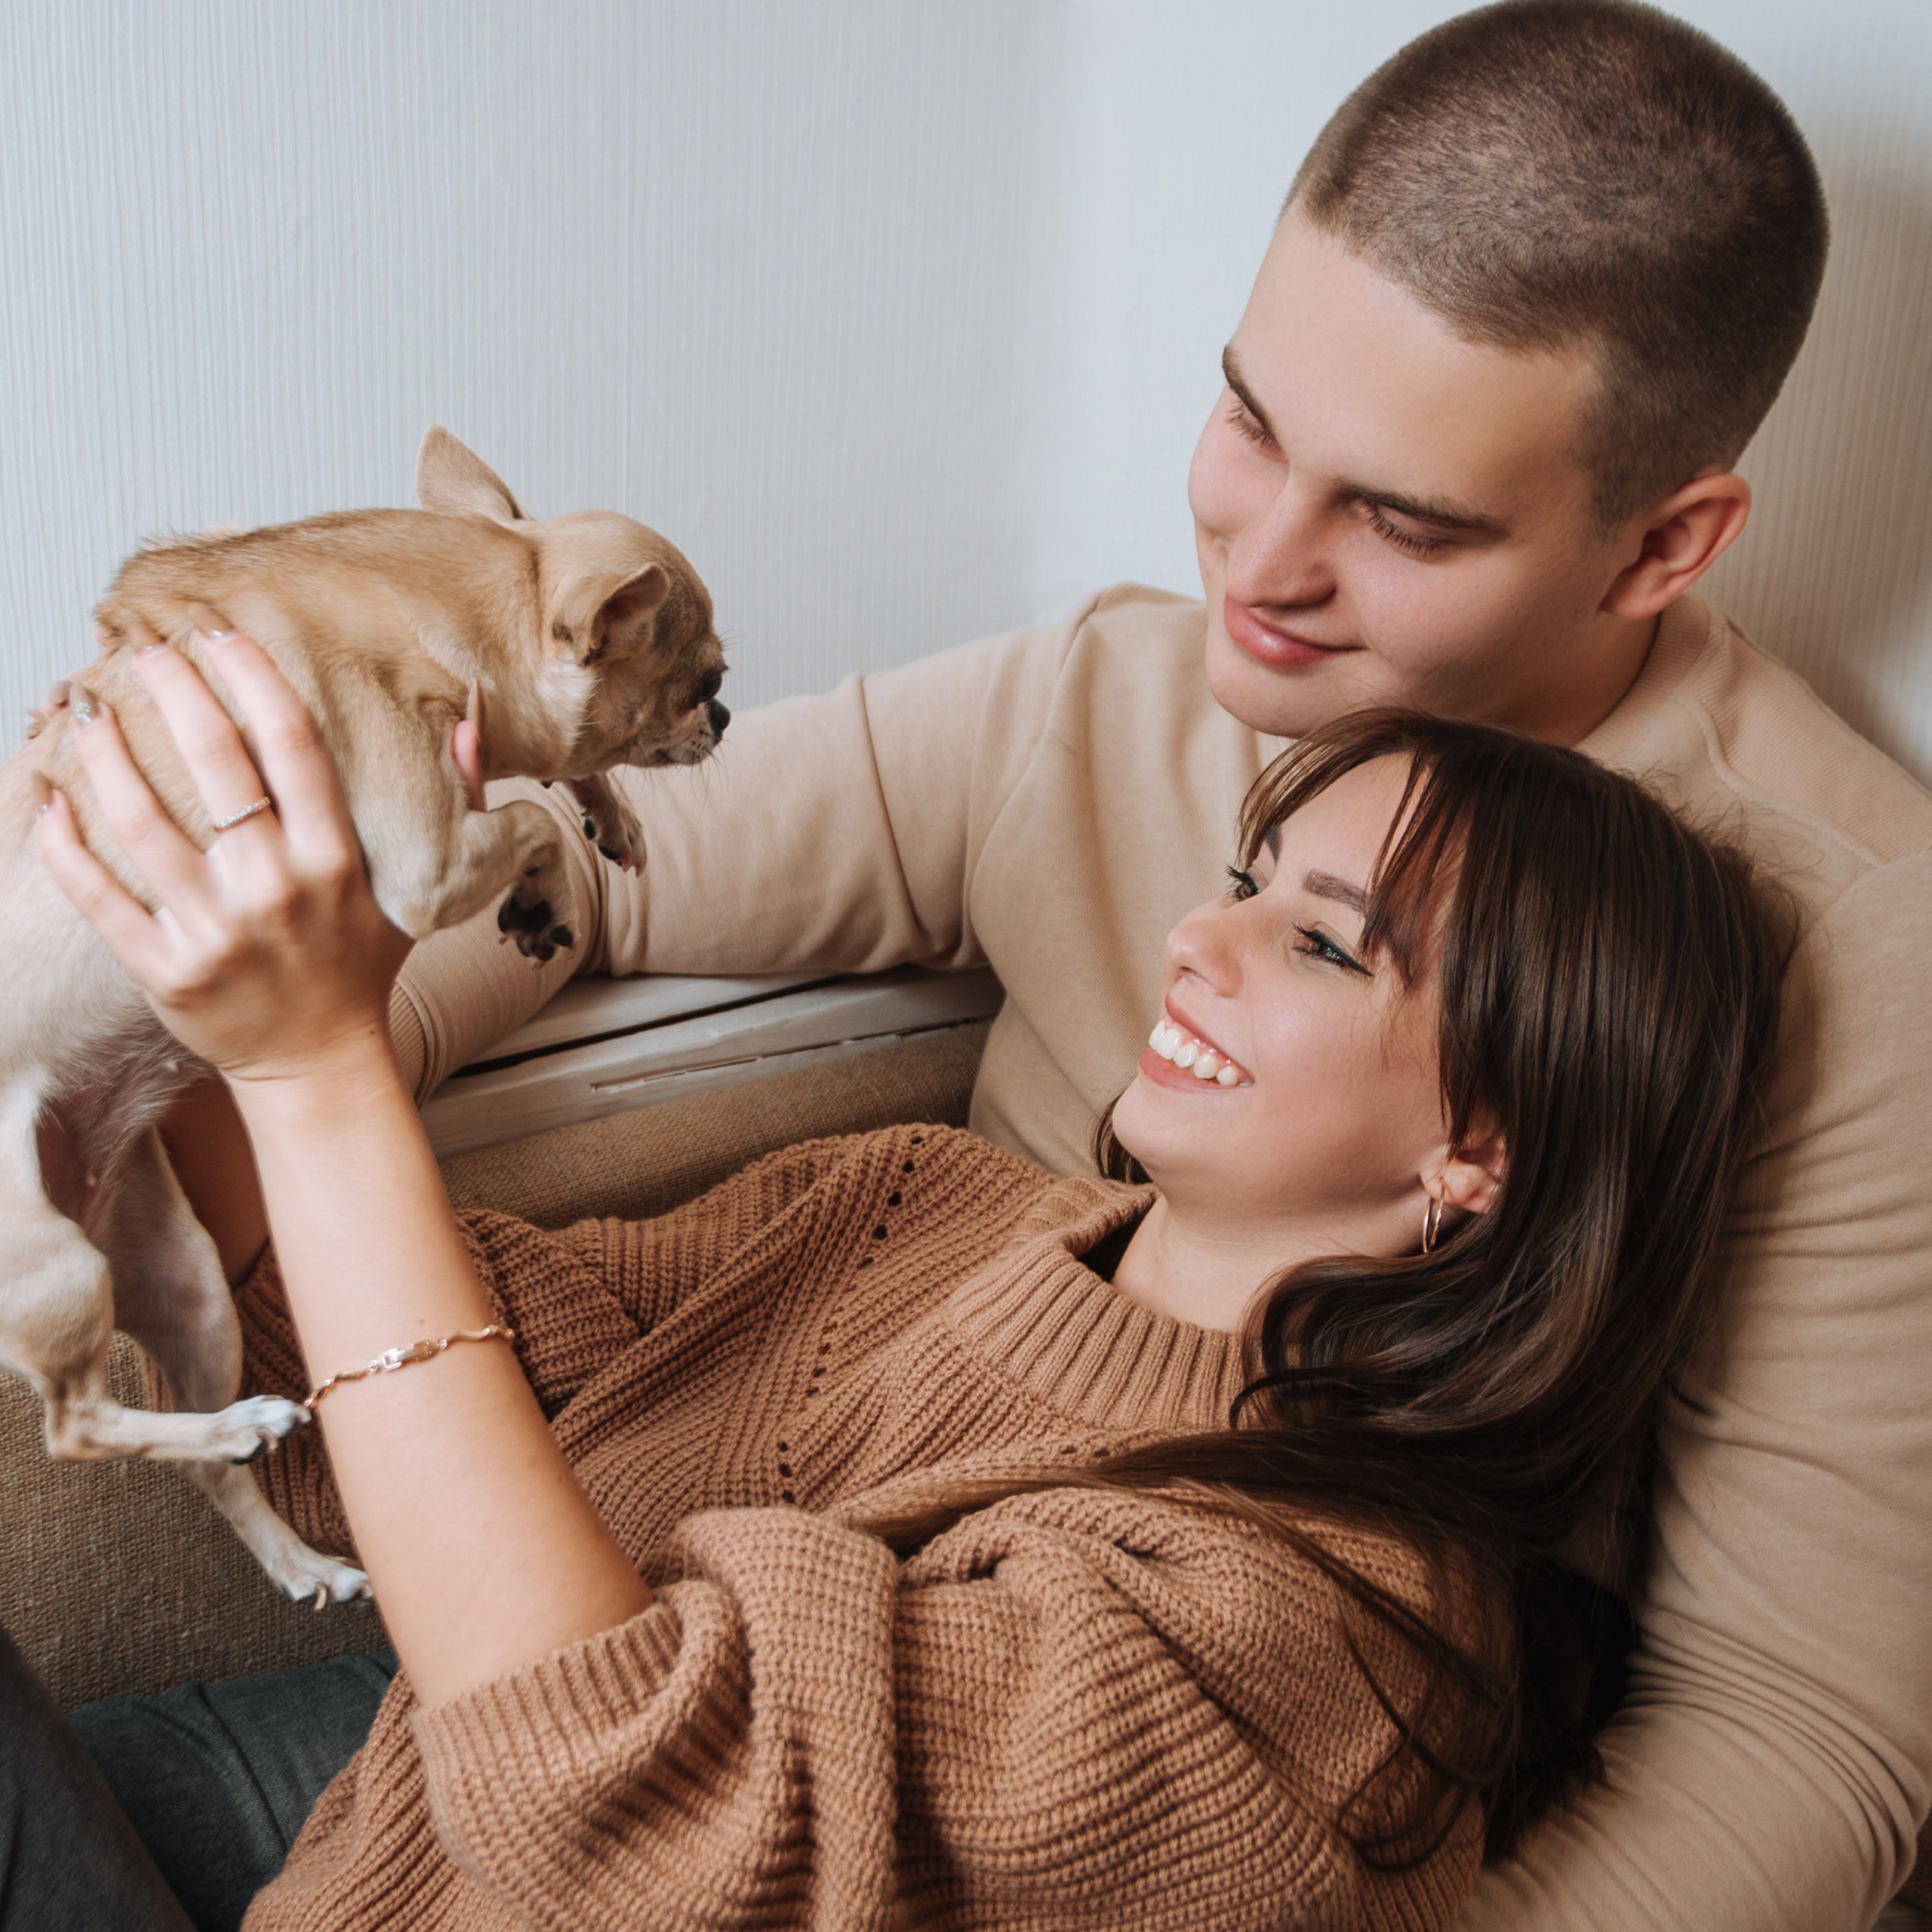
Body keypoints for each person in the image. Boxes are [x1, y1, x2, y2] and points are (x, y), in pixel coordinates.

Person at [167, 2, 1932, 1924]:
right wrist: (234, 1014)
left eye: (1402, 519)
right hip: (568, 1663)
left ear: (1658, 543)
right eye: (1250, 419)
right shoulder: (1004, 989)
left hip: (1014, 1788)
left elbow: (1790, 1738)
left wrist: (312, 1085)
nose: (1252, 565)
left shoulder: (1842, 950)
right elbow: (585, 880)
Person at [22, 633, 1785, 1930]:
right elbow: (447, 1411)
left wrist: (318, 1070)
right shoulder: (925, 1200)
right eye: (1244, 880)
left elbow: (633, 1799)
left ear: (1475, 1155)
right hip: (369, 1856)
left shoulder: (1310, 1659)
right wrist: (159, 939)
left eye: (1318, 940)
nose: (1194, 935)